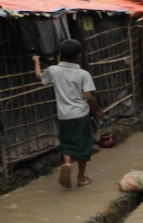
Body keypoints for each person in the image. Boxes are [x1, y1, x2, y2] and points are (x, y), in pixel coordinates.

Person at [33, 39, 104, 189]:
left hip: (64, 116)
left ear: (60, 54)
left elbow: (39, 77)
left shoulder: (53, 70)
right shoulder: (83, 74)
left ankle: (67, 163)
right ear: (79, 55)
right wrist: (97, 109)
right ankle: (81, 177)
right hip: (80, 115)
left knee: (67, 143)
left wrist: (36, 62)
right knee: (83, 145)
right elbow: (89, 96)